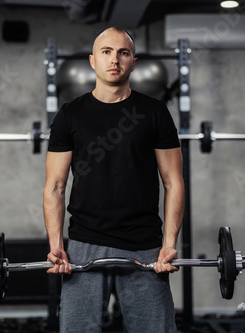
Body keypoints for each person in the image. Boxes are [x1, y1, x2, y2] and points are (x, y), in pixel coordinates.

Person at [43, 26, 184, 332]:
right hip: (84, 244)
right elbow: (55, 186)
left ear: (134, 62)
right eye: (107, 52)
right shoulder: (70, 115)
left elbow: (173, 181)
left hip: (144, 243)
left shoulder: (155, 112)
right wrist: (57, 246)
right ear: (93, 61)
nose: (115, 60)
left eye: (123, 53)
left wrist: (169, 245)